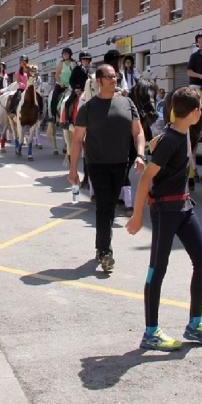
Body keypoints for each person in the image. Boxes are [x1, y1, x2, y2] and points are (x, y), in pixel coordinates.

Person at [126, 87, 202, 351]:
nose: (201, 112)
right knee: (157, 269)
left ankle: (195, 324)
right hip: (165, 211)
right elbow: (146, 177)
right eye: (200, 108)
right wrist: (137, 216)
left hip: (184, 208)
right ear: (193, 113)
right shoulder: (170, 140)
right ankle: (151, 332)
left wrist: (158, 137)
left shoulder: (181, 133)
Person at [69, 64, 147, 274]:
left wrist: (140, 154)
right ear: (99, 81)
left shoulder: (127, 102)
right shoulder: (88, 107)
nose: (115, 80)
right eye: (111, 77)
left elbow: (138, 132)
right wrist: (73, 169)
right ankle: (105, 251)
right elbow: (77, 140)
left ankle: (100, 247)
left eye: (116, 76)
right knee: (105, 206)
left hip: (121, 164)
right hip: (97, 164)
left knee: (110, 206)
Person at [62, 51, 93, 125]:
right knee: (68, 102)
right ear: (81, 61)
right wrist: (76, 88)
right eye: (84, 60)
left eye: (87, 60)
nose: (86, 61)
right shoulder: (77, 69)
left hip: (90, 91)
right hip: (78, 90)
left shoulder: (92, 71)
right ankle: (67, 119)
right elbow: (71, 80)